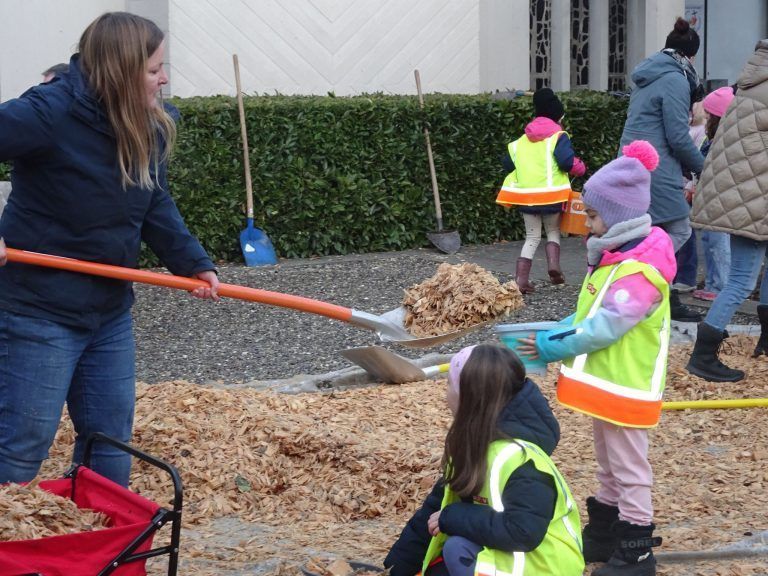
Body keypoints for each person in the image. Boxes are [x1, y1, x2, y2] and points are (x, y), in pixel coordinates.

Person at [0, 12, 219, 487]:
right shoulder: (47, 112)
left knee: (110, 445)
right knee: (23, 443)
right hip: (38, 310)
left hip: (109, 310)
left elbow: (153, 198)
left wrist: (192, 262)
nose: (164, 78)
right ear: (120, 70)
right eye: (154, 69)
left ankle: (98, 550)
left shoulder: (149, 121)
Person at [518, 141, 673, 576]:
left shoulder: (639, 271)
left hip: (626, 384)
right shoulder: (614, 258)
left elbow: (604, 328)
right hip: (607, 385)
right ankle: (605, 535)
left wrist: (551, 345)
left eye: (593, 214)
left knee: (628, 467)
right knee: (609, 464)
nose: (586, 222)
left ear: (620, 215)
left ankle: (638, 548)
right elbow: (589, 313)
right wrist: (553, 328)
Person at [384, 344, 584, 576]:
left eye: (449, 384)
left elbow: (524, 532)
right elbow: (433, 509)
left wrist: (454, 517)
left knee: (456, 547)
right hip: (511, 557)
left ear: (468, 398)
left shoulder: (521, 462)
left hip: (546, 567)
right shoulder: (475, 447)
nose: (445, 393)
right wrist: (394, 569)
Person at [686, 40, 768, 382]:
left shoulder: (750, 86)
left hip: (746, 195)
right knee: (740, 281)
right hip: (752, 200)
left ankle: (765, 339)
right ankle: (703, 356)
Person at [618, 17, 705, 323]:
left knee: (651, 230)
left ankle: (659, 295)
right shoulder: (676, 79)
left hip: (631, 161)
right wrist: (702, 167)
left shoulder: (650, 72)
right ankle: (648, 290)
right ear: (691, 56)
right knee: (679, 229)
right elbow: (678, 136)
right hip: (656, 166)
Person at [496, 87, 586, 293]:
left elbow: (508, 164)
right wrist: (580, 167)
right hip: (552, 197)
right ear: (557, 117)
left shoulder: (521, 141)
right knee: (553, 231)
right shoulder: (558, 136)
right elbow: (566, 161)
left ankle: (521, 280)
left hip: (526, 198)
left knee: (532, 237)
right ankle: (554, 267)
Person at [690, 86, 734, 302]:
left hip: (720, 200)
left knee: (718, 243)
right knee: (708, 241)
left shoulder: (725, 141)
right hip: (710, 198)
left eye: (709, 113)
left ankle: (720, 286)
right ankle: (712, 283)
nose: (705, 116)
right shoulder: (712, 139)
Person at [671, 101, 707, 293]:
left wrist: (689, 185)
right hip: (681, 184)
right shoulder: (687, 129)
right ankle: (680, 275)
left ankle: (685, 276)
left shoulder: (698, 131)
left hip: (686, 185)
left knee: (685, 231)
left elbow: (693, 159)